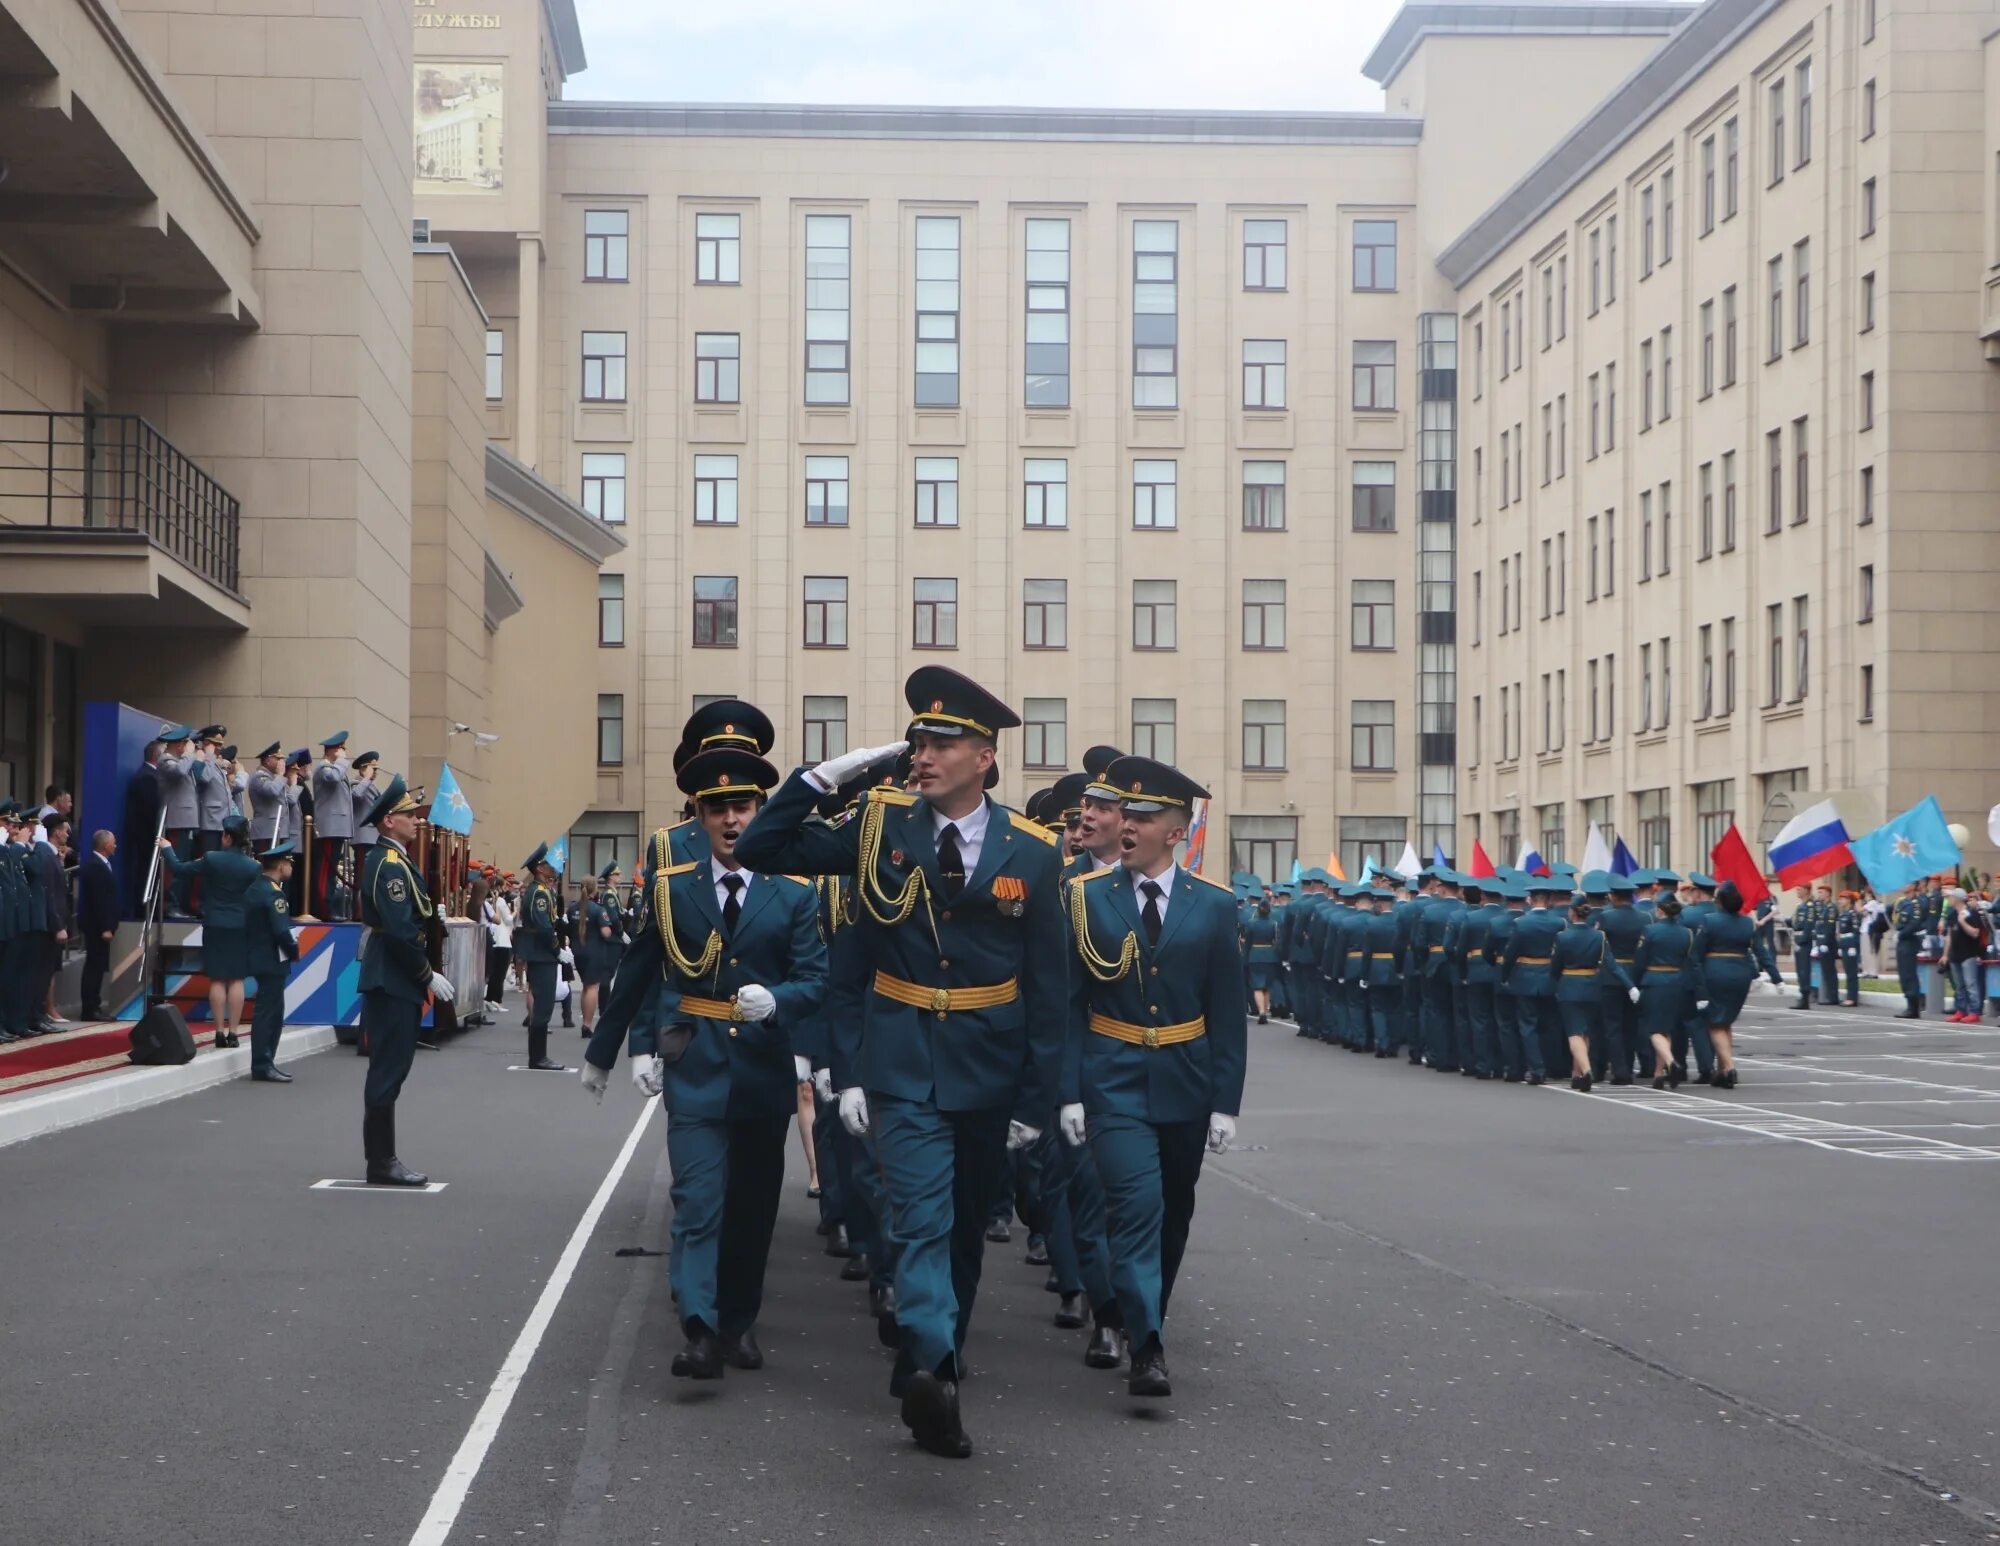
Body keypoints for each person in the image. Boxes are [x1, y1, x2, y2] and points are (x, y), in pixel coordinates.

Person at [727, 666, 1064, 1460]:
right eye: (917, 740)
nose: (923, 754)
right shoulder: (879, 828)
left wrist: (1038, 1098)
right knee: (920, 1219)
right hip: (904, 1056)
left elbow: (1050, 990)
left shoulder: (1036, 851)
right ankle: (934, 1368)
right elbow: (766, 846)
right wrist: (827, 775)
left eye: (943, 742)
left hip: (991, 1062)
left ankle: (936, 1351)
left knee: (967, 1230)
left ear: (984, 756)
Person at [582, 742, 827, 1379]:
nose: (731, 820)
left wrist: (777, 1003)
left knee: (751, 1207)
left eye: (742, 806)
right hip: (695, 1062)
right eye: (717, 808)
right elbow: (640, 971)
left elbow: (817, 979)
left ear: (760, 810)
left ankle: (738, 1322)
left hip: (763, 1068)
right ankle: (699, 1325)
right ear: (700, 813)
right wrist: (616, 1051)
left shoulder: (794, 892)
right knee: (696, 1199)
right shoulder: (672, 887)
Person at [1056, 755, 1242, 1402]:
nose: (1126, 826)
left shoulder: (1215, 906)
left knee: (1173, 1214)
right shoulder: (1084, 898)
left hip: (1186, 1080)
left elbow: (1226, 1011)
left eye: (1143, 817)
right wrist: (1069, 1092)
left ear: (1176, 831)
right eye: (1123, 815)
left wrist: (1226, 1102)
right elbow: (1070, 1004)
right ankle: (1149, 1345)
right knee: (1134, 1208)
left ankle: (1143, 1315)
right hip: (1112, 1080)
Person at [356, 773, 453, 1184]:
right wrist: (426, 974)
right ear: (388, 822)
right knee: (387, 1070)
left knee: (393, 1068)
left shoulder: (399, 861)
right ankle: (381, 1162)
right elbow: (397, 929)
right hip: (393, 976)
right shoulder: (388, 864)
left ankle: (384, 1158)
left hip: (397, 976)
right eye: (407, 815)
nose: (415, 820)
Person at [159, 813, 259, 1048]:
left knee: (217, 979)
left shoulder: (212, 859)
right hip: (240, 925)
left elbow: (179, 868)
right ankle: (234, 1033)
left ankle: (219, 1032)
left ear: (226, 836)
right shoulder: (253, 866)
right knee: (236, 979)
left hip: (215, 923)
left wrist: (167, 848)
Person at [1689, 880, 1783, 1089]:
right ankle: (1722, 1070)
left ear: (1720, 902)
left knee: (1714, 1023)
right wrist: (1777, 978)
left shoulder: (1709, 920)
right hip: (1740, 974)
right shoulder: (1747, 923)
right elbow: (1761, 952)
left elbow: (1696, 954)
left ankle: (1729, 1067)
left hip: (1715, 972)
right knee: (1726, 1021)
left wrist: (1696, 978)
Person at [1552, 898, 1636, 1092]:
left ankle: (1587, 1070)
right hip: (1592, 986)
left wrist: (1557, 980)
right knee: (1585, 1032)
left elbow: (1556, 966)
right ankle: (1577, 1074)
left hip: (1569, 985)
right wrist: (1630, 986)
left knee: (1574, 1033)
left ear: (1572, 912)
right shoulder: (1599, 936)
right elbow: (1612, 965)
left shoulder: (1562, 937)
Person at [244, 842, 301, 1081]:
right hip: (272, 959)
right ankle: (263, 1063)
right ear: (280, 865)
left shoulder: (254, 889)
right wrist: (294, 949)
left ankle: (263, 1062)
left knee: (265, 1011)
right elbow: (280, 930)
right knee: (271, 1014)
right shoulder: (274, 893)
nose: (290, 868)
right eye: (289, 863)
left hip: (257, 956)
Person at [1499, 878, 1565, 1085]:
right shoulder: (1559, 922)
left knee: (1528, 1025)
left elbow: (1511, 953)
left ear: (1531, 899)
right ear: (1548, 900)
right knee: (1551, 1024)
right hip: (1550, 975)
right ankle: (1554, 1066)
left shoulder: (1521, 923)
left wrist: (1505, 975)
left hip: (1525, 975)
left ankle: (1537, 1069)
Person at [1632, 894, 1696, 1089]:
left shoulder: (1650, 930)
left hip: (1654, 981)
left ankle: (1670, 1062)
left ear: (1660, 909)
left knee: (1653, 1029)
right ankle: (1658, 1074)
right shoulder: (1687, 933)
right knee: (1666, 1028)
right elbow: (1689, 962)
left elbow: (1641, 959)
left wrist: (1634, 983)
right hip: (1677, 982)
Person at [514, 843, 568, 1071]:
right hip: (541, 954)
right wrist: (557, 950)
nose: (552, 867)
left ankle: (538, 1056)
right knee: (544, 1006)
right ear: (539, 868)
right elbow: (544, 927)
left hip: (541, 953)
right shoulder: (538, 893)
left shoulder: (541, 890)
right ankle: (538, 1058)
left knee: (544, 1006)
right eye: (548, 864)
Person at [156, 727, 200, 917]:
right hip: (175, 820)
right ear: (179, 744)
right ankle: (169, 905)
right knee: (173, 867)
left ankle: (179, 904)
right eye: (185, 744)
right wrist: (189, 755)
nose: (188, 747)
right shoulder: (166, 760)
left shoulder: (181, 760)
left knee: (182, 863)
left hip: (185, 820)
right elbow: (180, 772)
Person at [77, 829, 119, 1021]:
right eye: (113, 842)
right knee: (94, 967)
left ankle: (94, 1004)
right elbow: (98, 901)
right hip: (96, 927)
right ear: (105, 845)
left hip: (99, 926)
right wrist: (105, 928)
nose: (115, 845)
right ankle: (90, 1008)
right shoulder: (95, 867)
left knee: (98, 966)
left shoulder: (101, 865)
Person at [310, 733, 353, 919]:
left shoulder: (334, 768)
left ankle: (327, 907)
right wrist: (341, 762)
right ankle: (323, 908)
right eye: (342, 749)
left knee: (330, 869)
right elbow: (333, 778)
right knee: (325, 870)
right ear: (334, 750)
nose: (344, 753)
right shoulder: (324, 768)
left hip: (336, 827)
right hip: (329, 826)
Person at [574, 872, 618, 1038]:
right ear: (594, 889)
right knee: (592, 987)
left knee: (585, 986)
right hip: (594, 951)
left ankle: (585, 1021)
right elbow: (606, 932)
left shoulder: (573, 908)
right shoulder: (598, 910)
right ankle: (587, 1024)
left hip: (577, 951)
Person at [1944, 887, 1987, 1023]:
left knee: (1970, 984)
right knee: (1959, 985)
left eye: (1951, 897)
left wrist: (1963, 922)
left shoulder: (1971, 914)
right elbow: (1949, 936)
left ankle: (1974, 1011)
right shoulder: (1951, 915)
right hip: (1955, 954)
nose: (1950, 899)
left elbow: (1975, 933)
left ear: (1957, 899)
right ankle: (1961, 1010)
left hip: (1968, 954)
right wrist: (1945, 954)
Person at [246, 743, 297, 851]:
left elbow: (291, 800)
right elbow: (271, 791)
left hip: (278, 831)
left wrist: (293, 784)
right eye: (278, 759)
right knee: (267, 866)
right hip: (266, 832)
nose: (281, 762)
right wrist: (280, 775)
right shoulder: (259, 776)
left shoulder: (275, 779)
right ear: (268, 760)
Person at [1240, 897, 1277, 1023]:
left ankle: (1261, 1011)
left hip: (1255, 955)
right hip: (1270, 956)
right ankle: (1265, 1010)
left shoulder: (1251, 923)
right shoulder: (1273, 924)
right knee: (1267, 986)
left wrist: (1245, 957)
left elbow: (1248, 942)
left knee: (1257, 986)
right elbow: (1276, 941)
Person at [1892, 883, 1927, 1019]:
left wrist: (1901, 934)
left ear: (1913, 886)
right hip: (1902, 942)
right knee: (1903, 975)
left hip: (1909, 941)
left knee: (1909, 974)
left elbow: (1914, 924)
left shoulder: (1916, 904)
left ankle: (1913, 1008)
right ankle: (1909, 1005)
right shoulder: (1902, 902)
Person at [483, 875, 514, 1014]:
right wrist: (515, 911)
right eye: (504, 886)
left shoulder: (488, 901)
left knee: (494, 972)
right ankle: (496, 1000)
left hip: (495, 940)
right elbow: (507, 920)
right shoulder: (500, 901)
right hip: (502, 940)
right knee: (500, 973)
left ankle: (491, 999)